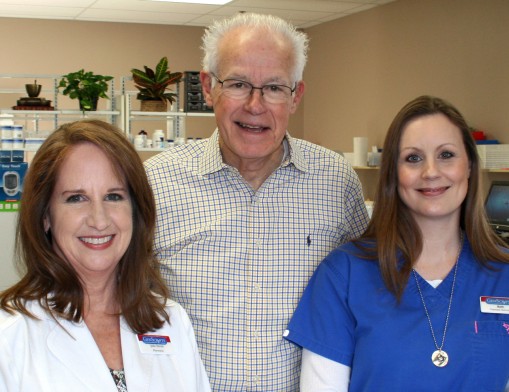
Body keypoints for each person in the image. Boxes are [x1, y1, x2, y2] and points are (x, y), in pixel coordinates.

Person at [144, 12, 369, 391]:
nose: (254, 104)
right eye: (238, 84)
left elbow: (371, 291)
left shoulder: (335, 181)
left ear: (296, 95)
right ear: (209, 87)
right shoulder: (156, 183)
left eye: (274, 88)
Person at [284, 95, 509, 391]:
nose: (430, 172)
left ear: (468, 166)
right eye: (413, 158)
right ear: (393, 173)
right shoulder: (344, 275)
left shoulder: (501, 273)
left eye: (446, 155)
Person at [0, 120, 211, 392]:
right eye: (76, 198)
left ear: (135, 211)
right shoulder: (9, 333)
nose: (99, 221)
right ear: (45, 216)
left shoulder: (171, 321)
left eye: (113, 196)